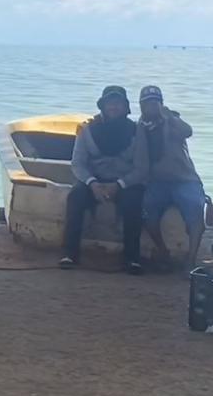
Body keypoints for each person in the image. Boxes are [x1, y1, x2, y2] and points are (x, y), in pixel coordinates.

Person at [61, 85, 148, 273]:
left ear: (125, 108)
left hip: (125, 181)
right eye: (110, 103)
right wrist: (92, 183)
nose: (113, 108)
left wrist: (120, 184)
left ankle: (132, 258)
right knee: (75, 197)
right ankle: (69, 254)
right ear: (103, 106)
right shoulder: (86, 130)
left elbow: (142, 168)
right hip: (94, 181)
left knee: (134, 204)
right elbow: (77, 163)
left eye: (118, 104)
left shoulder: (137, 131)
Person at [136, 86, 205, 268]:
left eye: (155, 102)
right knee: (146, 213)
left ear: (161, 104)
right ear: (141, 105)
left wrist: (169, 116)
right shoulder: (140, 127)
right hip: (157, 183)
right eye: (147, 103)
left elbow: (187, 131)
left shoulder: (172, 121)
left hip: (184, 180)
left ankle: (191, 260)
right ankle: (163, 251)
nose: (151, 107)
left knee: (196, 210)